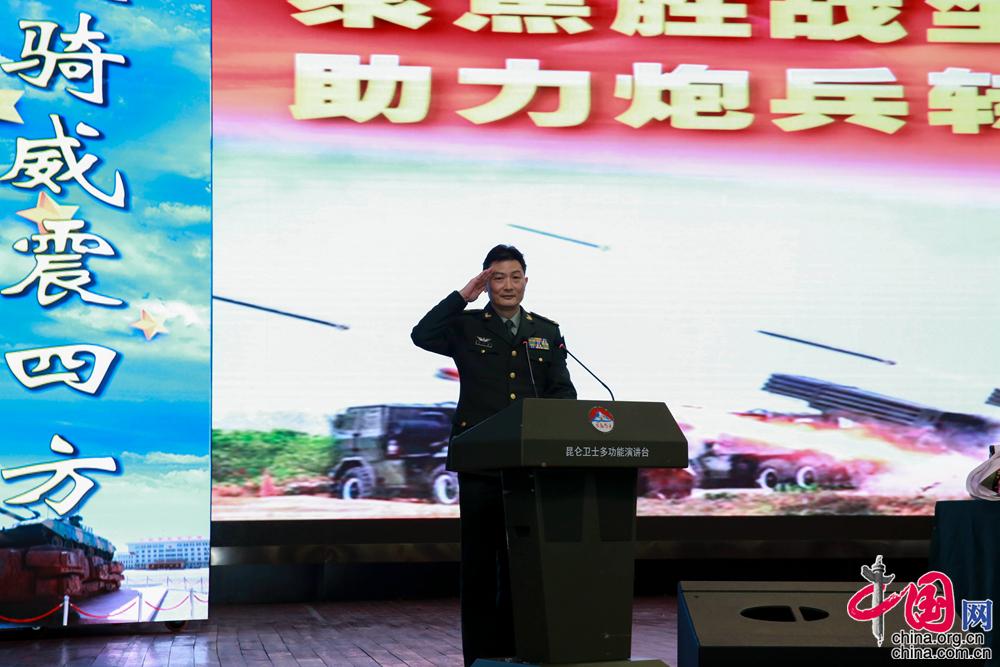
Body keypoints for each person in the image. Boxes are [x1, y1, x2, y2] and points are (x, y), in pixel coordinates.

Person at [411, 244, 576, 666]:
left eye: (515, 276)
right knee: (481, 566)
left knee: (523, 565)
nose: (507, 285)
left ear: (526, 280)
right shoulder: (466, 327)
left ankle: (521, 651)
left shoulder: (547, 330)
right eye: (497, 277)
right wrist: (461, 296)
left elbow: (563, 391)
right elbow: (421, 335)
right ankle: (482, 658)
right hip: (481, 463)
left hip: (529, 468)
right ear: (487, 283)